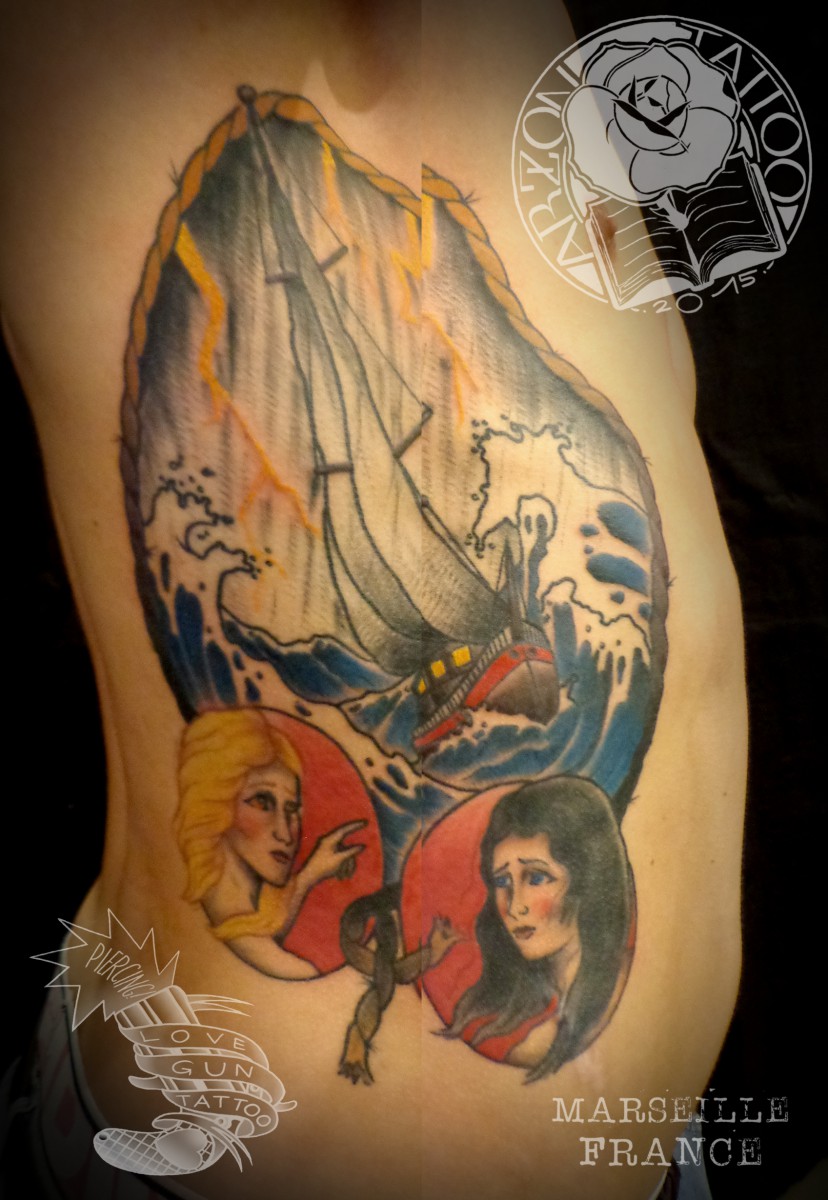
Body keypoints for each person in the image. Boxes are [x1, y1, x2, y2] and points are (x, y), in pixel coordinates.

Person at [444, 776, 632, 1079]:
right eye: (502, 881)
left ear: (588, 880)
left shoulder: (625, 994)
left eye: (536, 878)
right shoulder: (526, 1036)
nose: (514, 906)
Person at [176, 707, 365, 978]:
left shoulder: (203, 913)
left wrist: (309, 875)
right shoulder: (292, 971)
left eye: (292, 810)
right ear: (214, 805)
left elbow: (254, 927)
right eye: (262, 802)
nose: (285, 835)